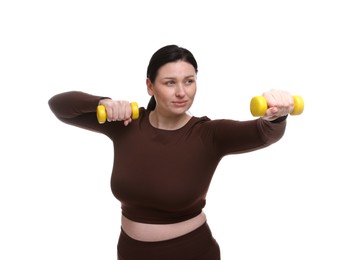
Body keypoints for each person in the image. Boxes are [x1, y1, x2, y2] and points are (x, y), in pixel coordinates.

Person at [48, 44, 294, 260]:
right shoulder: (126, 124)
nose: (182, 92)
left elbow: (264, 133)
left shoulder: (209, 134)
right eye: (170, 82)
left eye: (189, 81)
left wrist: (277, 115)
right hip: (129, 253)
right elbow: (59, 106)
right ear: (149, 86)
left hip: (192, 253)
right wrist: (102, 102)